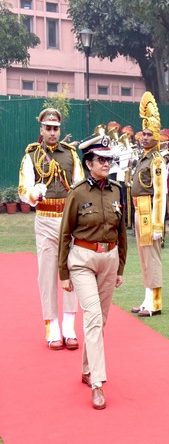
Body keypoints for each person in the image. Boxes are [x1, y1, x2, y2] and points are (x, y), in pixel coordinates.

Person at [58, 137, 127, 410]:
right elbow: (65, 233)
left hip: (109, 259)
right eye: (101, 160)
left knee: (101, 321)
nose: (106, 164)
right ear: (88, 164)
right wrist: (63, 273)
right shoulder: (77, 193)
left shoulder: (117, 191)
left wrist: (120, 266)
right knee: (93, 318)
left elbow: (122, 231)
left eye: (109, 159)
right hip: (82, 260)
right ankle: (97, 383)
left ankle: (87, 369)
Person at [18, 107, 84, 350]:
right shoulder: (31, 156)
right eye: (48, 128)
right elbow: (23, 189)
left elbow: (79, 185)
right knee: (46, 274)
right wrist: (34, 194)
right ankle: (52, 326)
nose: (52, 132)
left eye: (56, 128)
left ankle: (69, 326)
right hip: (45, 218)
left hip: (69, 220)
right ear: (41, 129)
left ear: (60, 129)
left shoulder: (71, 155)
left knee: (72, 271)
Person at [130, 92, 167, 317]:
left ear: (157, 138)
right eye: (143, 133)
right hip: (138, 209)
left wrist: (157, 225)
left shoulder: (156, 160)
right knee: (144, 257)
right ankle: (146, 299)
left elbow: (161, 194)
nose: (144, 137)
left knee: (152, 257)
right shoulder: (143, 157)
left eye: (148, 134)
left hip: (149, 210)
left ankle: (155, 302)